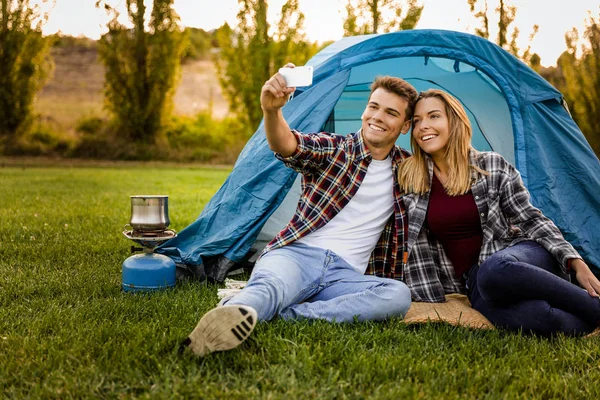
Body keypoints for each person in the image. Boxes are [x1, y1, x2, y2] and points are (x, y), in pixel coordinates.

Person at [180, 66, 419, 357]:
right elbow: (287, 144)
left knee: (397, 294)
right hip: (296, 256)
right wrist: (271, 111)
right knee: (271, 288)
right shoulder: (335, 148)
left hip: (344, 278)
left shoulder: (408, 169)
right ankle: (226, 321)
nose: (378, 117)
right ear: (364, 110)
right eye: (373, 107)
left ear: (405, 125)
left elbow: (448, 168)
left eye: (391, 113)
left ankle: (285, 314)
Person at [397, 88, 600, 336]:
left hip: (517, 255)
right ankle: (585, 318)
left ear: (455, 120)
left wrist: (574, 261)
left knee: (495, 268)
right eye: (416, 121)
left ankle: (594, 306)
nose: (423, 126)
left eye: (434, 116)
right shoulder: (410, 178)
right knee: (539, 318)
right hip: (475, 282)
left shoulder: (491, 164)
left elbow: (530, 218)